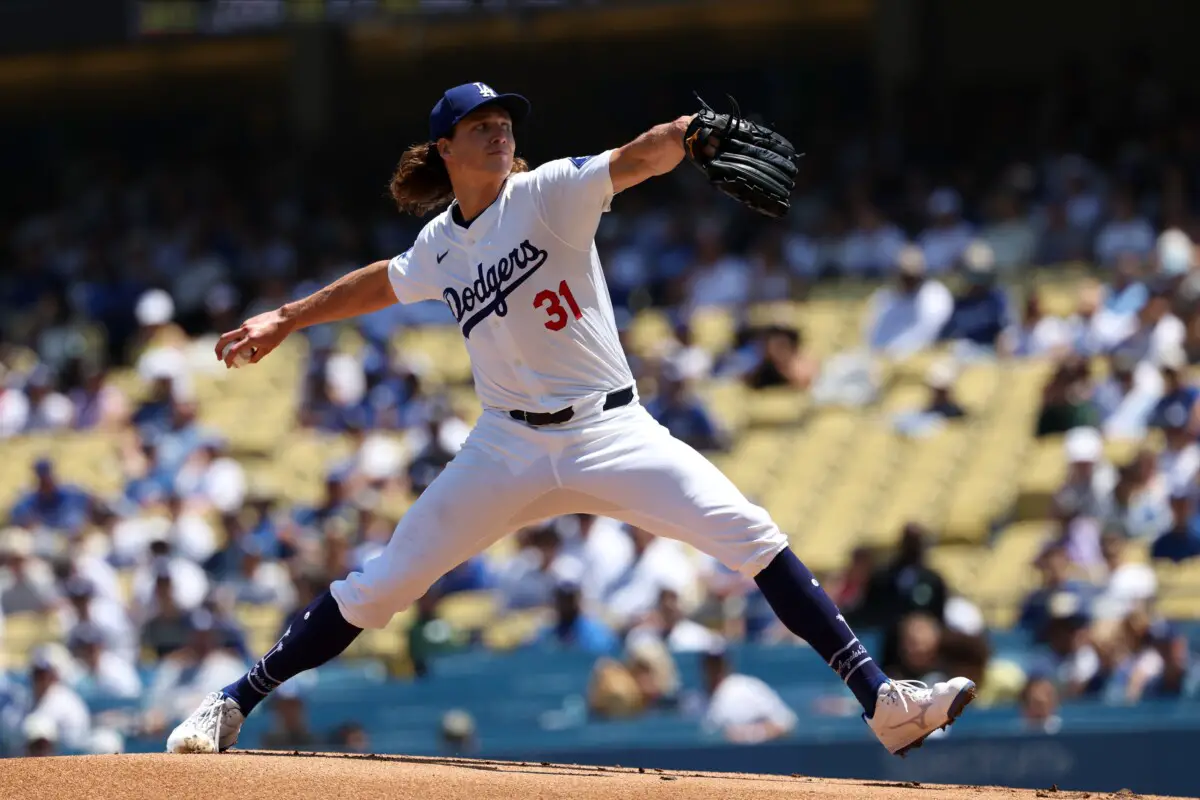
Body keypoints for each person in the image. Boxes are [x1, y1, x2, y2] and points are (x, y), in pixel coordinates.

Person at [167, 81, 974, 757]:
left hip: (610, 431)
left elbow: (634, 157)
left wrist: (690, 134)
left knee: (752, 534)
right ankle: (232, 703)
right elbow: (385, 279)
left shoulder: (548, 191)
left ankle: (883, 703)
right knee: (380, 587)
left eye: (505, 124)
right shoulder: (439, 246)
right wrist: (288, 317)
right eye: (480, 127)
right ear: (446, 149)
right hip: (506, 445)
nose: (499, 134)